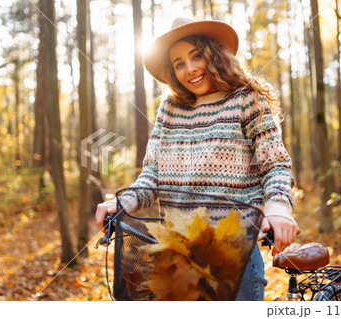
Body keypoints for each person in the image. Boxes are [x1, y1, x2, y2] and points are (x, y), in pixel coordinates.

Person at [95, 17, 298, 301]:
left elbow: (275, 164)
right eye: (179, 63)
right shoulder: (169, 109)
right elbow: (152, 174)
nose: (189, 69)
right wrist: (122, 201)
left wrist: (279, 208)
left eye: (196, 56)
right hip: (178, 251)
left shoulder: (245, 99)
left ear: (213, 53)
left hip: (233, 249)